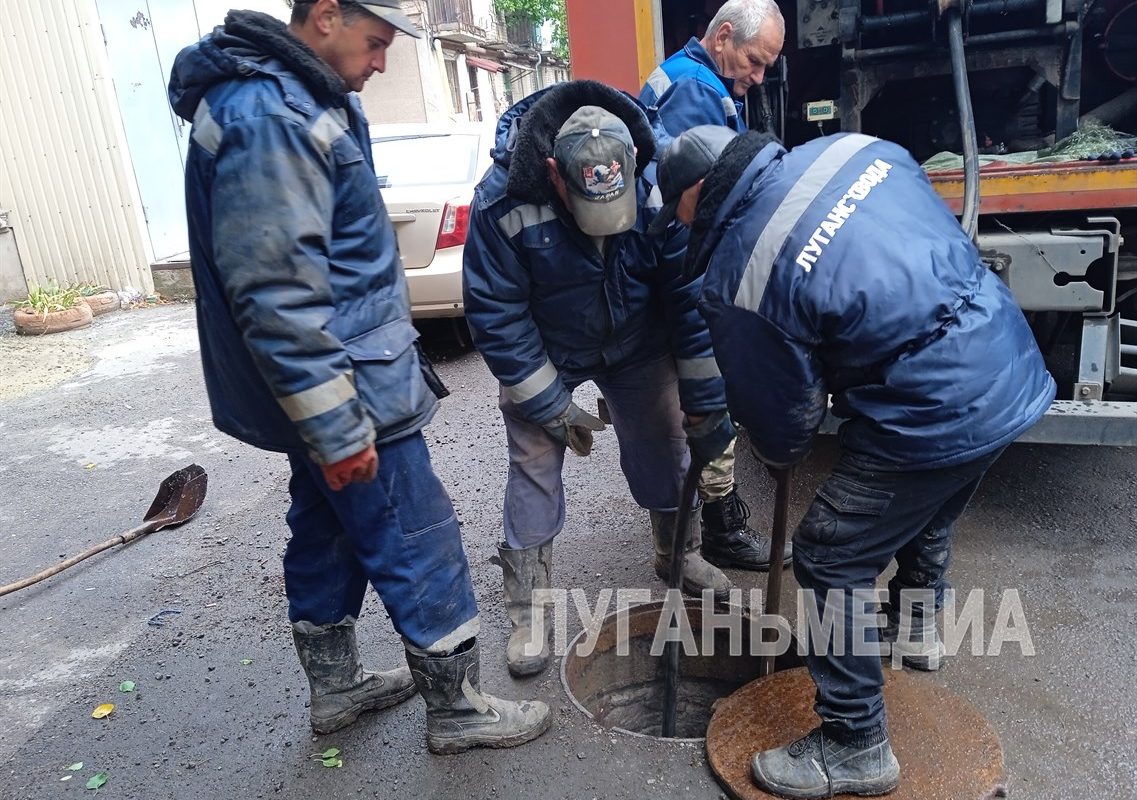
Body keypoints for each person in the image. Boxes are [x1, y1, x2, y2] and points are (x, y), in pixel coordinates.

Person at [166, 0, 550, 755]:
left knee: (325, 531)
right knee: (416, 534)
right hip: (349, 388)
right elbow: (275, 291)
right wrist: (337, 427)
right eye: (375, 43)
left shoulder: (286, 95)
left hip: (331, 381)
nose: (380, 62)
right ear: (327, 16)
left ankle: (336, 688)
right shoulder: (270, 115)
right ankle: (458, 707)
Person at [651, 126, 1055, 797]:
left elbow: (785, 426)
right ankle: (917, 620)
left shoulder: (742, 268)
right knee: (925, 496)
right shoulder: (857, 149)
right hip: (1007, 363)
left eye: (679, 209)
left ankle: (853, 744)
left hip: (933, 402)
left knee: (830, 552)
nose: (681, 222)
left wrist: (768, 427)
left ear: (696, 192)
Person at [462, 79, 744, 678]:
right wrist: (551, 406)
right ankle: (529, 610)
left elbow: (688, 299)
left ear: (634, 163)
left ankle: (680, 556)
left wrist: (704, 404)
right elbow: (496, 313)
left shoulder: (656, 184)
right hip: (547, 348)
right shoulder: (502, 201)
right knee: (534, 463)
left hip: (638, 343)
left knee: (666, 446)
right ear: (554, 175)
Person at [639, 0, 789, 574]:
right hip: (687, 270)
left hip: (680, 265)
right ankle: (720, 529)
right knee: (706, 396)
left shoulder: (687, 75)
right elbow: (695, 208)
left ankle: (713, 526)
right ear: (723, 36)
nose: (756, 78)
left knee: (702, 399)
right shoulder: (696, 93)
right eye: (753, 62)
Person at [640, 0, 785, 142]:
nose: (759, 79)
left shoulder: (687, 71)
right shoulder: (696, 89)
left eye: (766, 67)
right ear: (722, 37)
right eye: (753, 60)